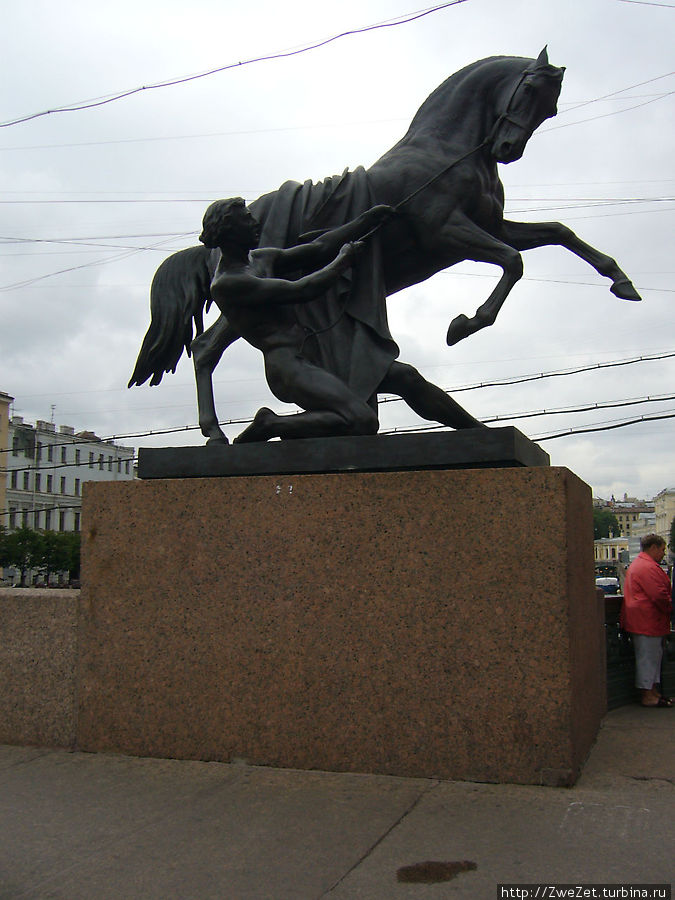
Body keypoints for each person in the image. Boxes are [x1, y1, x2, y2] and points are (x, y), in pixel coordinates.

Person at [199, 198, 485, 442]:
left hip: (315, 353)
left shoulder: (260, 258)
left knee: (404, 376)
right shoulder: (227, 283)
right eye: (247, 219)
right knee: (362, 421)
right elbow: (303, 289)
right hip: (289, 367)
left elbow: (319, 248)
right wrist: (343, 261)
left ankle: (479, 434)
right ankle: (271, 424)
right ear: (229, 231)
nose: (255, 222)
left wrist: (364, 220)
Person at [620, 533, 673, 708]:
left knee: (652, 658)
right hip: (647, 621)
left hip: (645, 621)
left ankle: (653, 692)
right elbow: (659, 596)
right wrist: (670, 608)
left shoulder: (641, 564)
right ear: (653, 547)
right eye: (662, 550)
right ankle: (648, 695)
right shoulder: (647, 567)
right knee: (648, 659)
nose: (663, 554)